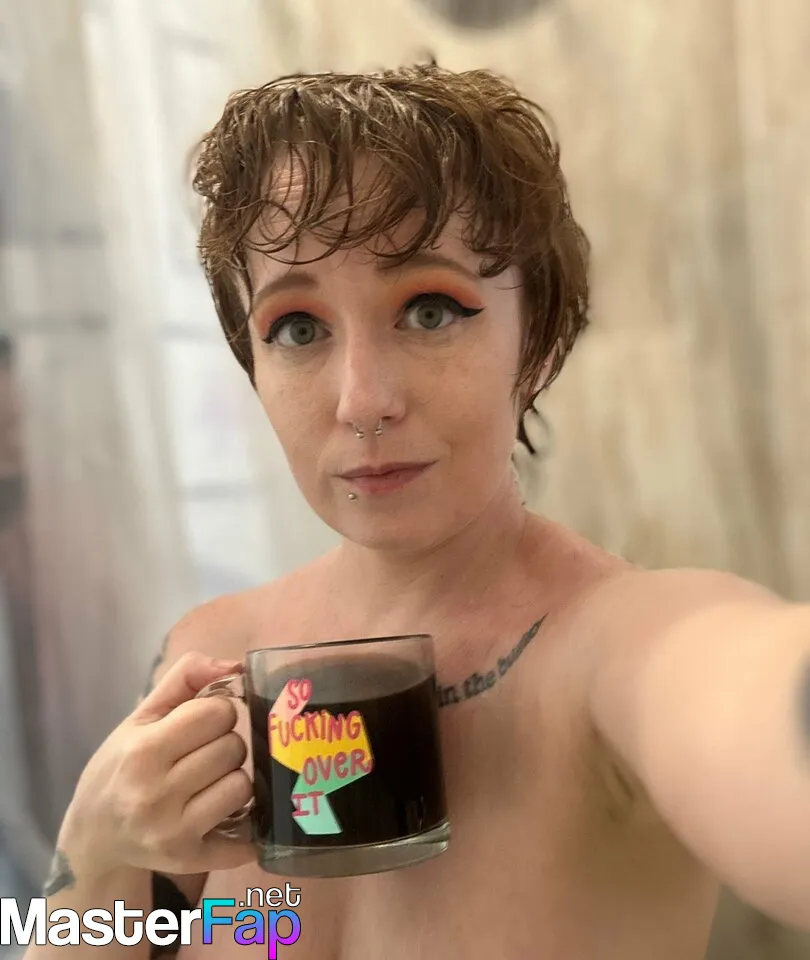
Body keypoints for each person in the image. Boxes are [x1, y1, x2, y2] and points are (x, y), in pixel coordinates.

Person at [28, 64, 810, 959]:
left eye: (430, 310)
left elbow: (750, 704)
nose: (362, 400)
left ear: (536, 343)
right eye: (297, 328)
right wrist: (97, 847)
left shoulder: (622, 650)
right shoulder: (211, 659)